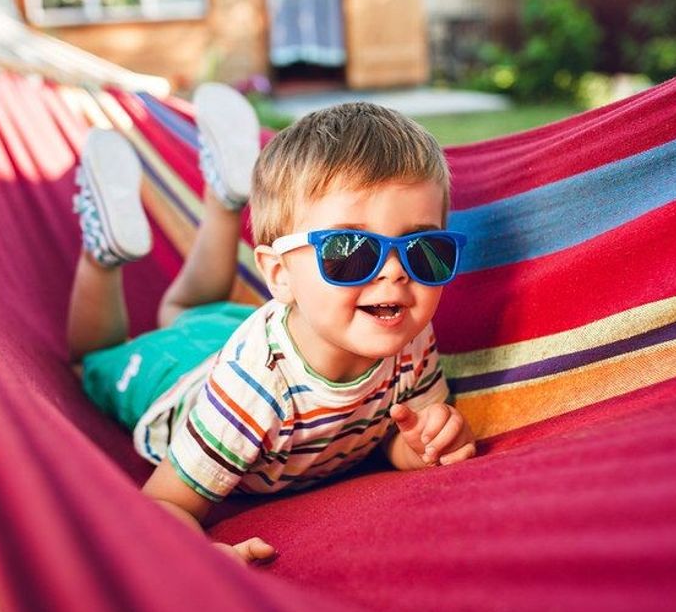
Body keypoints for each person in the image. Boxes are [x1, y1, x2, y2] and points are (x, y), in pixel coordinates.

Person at [67, 83, 476, 565]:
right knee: (91, 358)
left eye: (425, 251)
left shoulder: (406, 328)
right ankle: (104, 254)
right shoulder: (251, 393)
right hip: (177, 380)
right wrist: (198, 557)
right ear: (279, 274)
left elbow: (393, 432)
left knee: (185, 310)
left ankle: (224, 198)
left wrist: (420, 444)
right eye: (348, 251)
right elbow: (162, 502)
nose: (396, 271)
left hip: (246, 333)